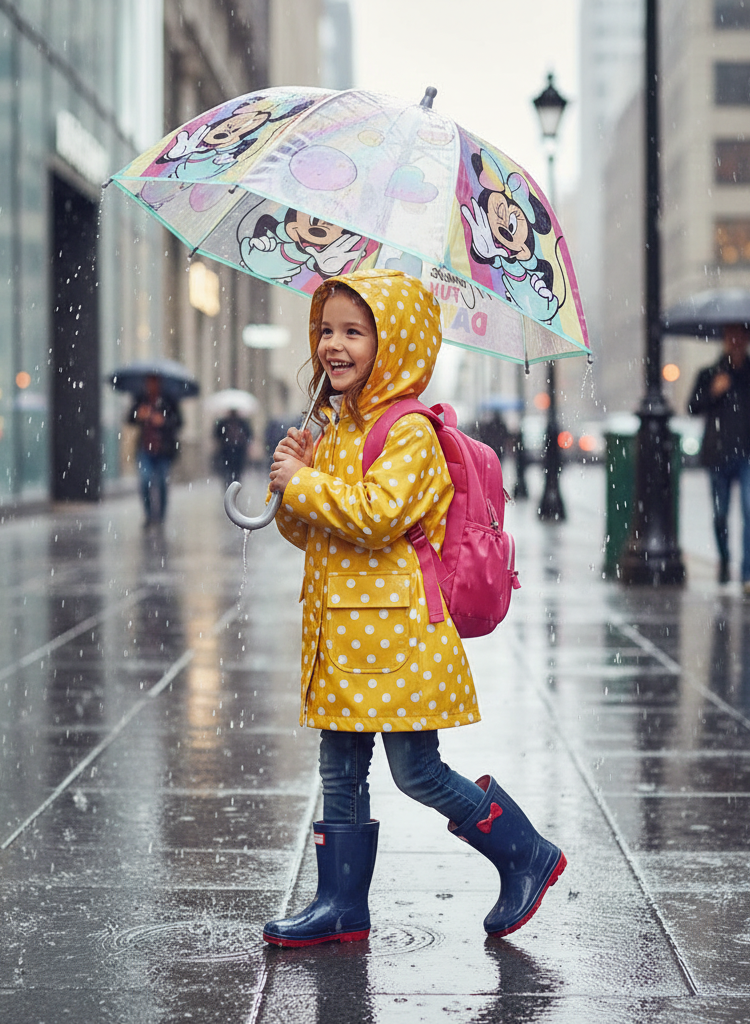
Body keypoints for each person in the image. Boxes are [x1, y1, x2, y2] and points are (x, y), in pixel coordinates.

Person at [262, 268, 566, 947]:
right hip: (341, 635)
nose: (332, 345)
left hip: (394, 635)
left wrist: (306, 484)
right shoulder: (336, 428)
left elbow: (375, 517)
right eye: (325, 330)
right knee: (338, 769)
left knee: (417, 771)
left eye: (352, 332)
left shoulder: (408, 433)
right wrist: (290, 484)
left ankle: (525, 853)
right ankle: (341, 903)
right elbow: (313, 531)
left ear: (391, 342)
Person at [687, 324, 750, 595]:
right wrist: (713, 392)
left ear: (748, 340)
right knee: (720, 515)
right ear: (725, 340)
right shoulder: (709, 374)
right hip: (719, 454)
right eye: (731, 336)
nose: (736, 342)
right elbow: (692, 406)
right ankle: (725, 559)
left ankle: (748, 573)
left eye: (741, 336)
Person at [129, 374, 182, 524]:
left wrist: (163, 421)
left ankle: (161, 515)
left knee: (162, 482)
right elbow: (129, 419)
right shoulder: (141, 399)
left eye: (154, 383)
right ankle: (149, 514)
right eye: (148, 383)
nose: (151, 386)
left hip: (163, 450)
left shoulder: (169, 400)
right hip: (145, 449)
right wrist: (139, 415)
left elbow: (178, 422)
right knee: (145, 481)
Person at [213, 409, 253, 486]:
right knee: (227, 469)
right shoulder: (223, 423)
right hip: (227, 450)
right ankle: (229, 483)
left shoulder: (242, 423)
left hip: (238, 449)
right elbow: (217, 434)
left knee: (237, 469)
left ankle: (235, 483)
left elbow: (249, 434)